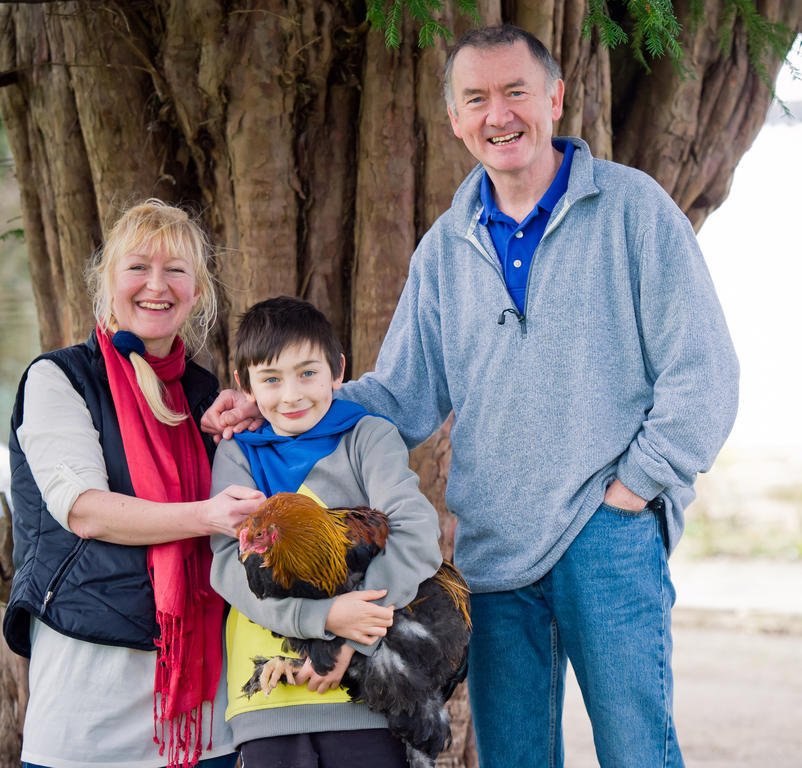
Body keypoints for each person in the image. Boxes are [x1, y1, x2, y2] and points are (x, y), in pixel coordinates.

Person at [203, 24, 740, 768]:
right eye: (477, 98)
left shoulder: (633, 211)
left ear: (554, 97)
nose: (499, 114)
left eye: (516, 92)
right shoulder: (445, 247)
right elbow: (400, 394)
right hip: (493, 549)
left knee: (637, 751)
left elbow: (703, 373)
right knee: (515, 757)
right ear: (455, 118)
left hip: (607, 534)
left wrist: (633, 489)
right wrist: (280, 404)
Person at [3, 200, 265, 768]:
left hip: (202, 716)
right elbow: (87, 511)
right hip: (87, 706)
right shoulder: (59, 379)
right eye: (138, 267)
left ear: (196, 290)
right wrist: (207, 514)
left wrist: (266, 413)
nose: (157, 285)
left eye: (176, 270)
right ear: (107, 281)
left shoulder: (203, 396)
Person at [207, 296, 443, 768]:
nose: (291, 395)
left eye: (307, 373)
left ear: (338, 370)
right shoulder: (239, 456)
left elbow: (416, 534)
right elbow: (226, 568)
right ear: (245, 384)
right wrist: (324, 621)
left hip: (365, 697)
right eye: (271, 379)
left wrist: (350, 642)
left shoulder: (368, 437)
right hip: (267, 701)